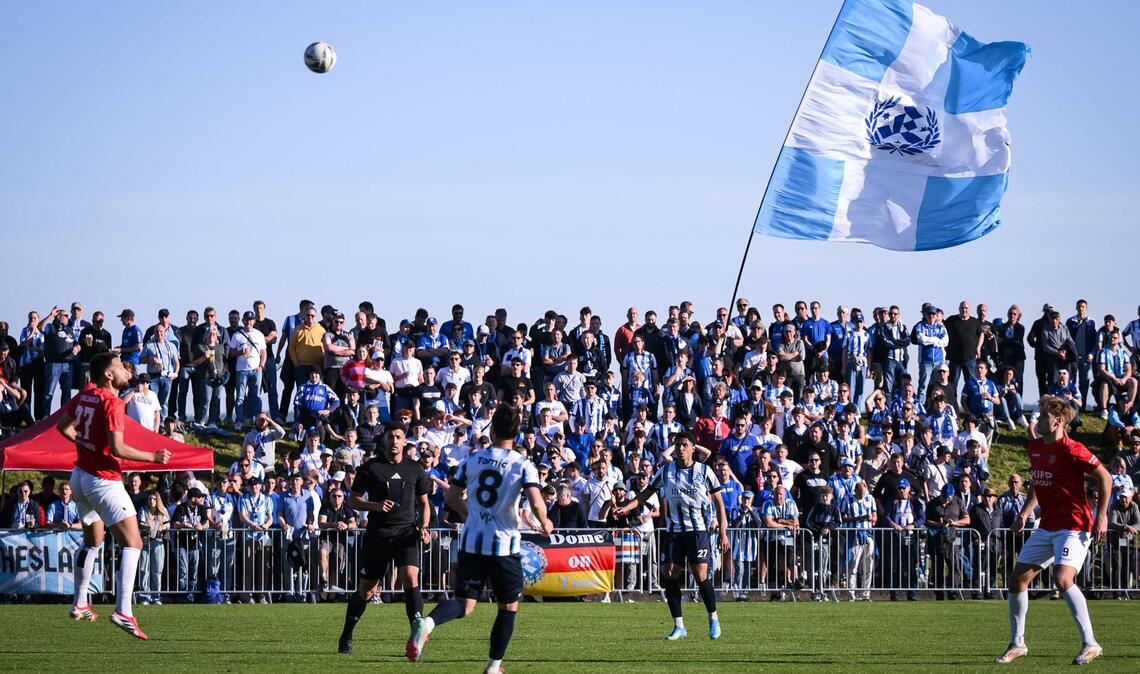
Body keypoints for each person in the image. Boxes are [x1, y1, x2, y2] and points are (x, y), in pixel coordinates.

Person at [406, 404, 552, 674]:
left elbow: (452, 497)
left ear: (492, 430)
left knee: (464, 603)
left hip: (472, 542)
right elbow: (535, 502)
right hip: (504, 546)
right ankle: (493, 667)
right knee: (508, 607)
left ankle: (428, 623)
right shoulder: (522, 464)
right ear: (516, 433)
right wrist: (546, 522)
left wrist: (471, 513)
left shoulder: (472, 460)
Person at [55, 351, 172, 639]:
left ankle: (80, 602)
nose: (126, 370)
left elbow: (62, 427)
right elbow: (118, 448)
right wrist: (153, 457)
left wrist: (86, 445)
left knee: (93, 541)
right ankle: (123, 610)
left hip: (80, 476)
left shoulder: (86, 394)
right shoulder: (112, 402)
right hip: (102, 480)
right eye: (120, 366)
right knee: (134, 542)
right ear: (108, 374)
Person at [996, 397, 1113, 665]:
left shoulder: (1073, 449)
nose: (1037, 419)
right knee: (1017, 579)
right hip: (1047, 525)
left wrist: (1101, 516)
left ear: (1058, 421)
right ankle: (1017, 643)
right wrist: (1024, 513)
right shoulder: (1035, 446)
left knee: (1062, 578)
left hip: (1074, 526)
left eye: (1043, 416)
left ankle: (1091, 643)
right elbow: (1037, 484)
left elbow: (1105, 478)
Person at [613, 430, 729, 641]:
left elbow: (720, 503)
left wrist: (723, 532)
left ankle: (713, 618)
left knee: (701, 576)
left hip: (697, 530)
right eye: (678, 445)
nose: (680, 448)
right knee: (669, 573)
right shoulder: (666, 471)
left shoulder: (704, 471)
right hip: (674, 531)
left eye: (685, 445)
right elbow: (645, 494)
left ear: (693, 448)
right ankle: (679, 626)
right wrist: (627, 507)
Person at [339, 423, 432, 655]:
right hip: (378, 534)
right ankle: (347, 634)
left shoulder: (415, 468)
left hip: (406, 533)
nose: (394, 441)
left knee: (410, 577)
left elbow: (424, 503)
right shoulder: (370, 468)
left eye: (398, 437)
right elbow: (353, 500)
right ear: (385, 440)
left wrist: (424, 527)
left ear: (404, 441)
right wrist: (375, 506)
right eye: (391, 437)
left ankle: (416, 636)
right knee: (367, 590)